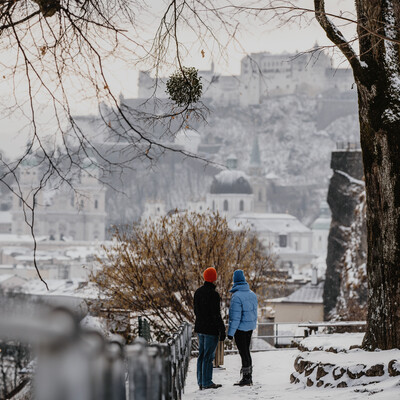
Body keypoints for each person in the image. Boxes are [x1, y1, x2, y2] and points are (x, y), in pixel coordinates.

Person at [194, 267, 226, 390]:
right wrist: (221, 330)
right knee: (208, 357)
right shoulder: (214, 295)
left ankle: (201, 381)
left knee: (201, 355)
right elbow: (216, 314)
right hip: (210, 330)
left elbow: (196, 311)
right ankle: (207, 382)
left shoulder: (198, 292)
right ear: (214, 278)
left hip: (200, 328)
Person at [227, 269, 258, 386]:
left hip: (240, 329)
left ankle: (246, 378)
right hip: (250, 328)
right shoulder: (252, 294)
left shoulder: (236, 297)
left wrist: (230, 333)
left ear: (235, 281)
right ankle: (249, 376)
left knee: (243, 352)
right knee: (247, 352)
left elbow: (235, 318)